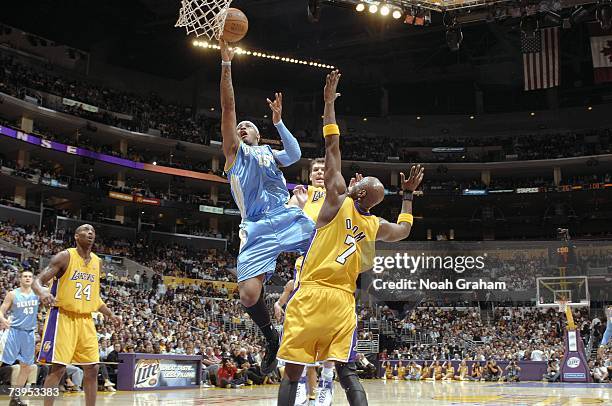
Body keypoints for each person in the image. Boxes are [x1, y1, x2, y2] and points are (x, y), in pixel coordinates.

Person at [276, 70, 424, 406]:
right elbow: (404, 231)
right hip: (344, 302)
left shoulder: (335, 199)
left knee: (294, 372)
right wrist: (408, 196)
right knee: (347, 372)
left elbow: (332, 144)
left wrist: (328, 104)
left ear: (354, 189)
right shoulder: (375, 226)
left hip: (312, 293)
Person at [219, 39, 315, 375]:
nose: (243, 127)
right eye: (239, 127)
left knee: (322, 248)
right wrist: (227, 64)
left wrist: (278, 122)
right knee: (247, 294)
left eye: (249, 126)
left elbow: (296, 156)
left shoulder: (270, 153)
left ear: (258, 135)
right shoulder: (235, 154)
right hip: (256, 226)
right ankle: (271, 337)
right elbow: (228, 109)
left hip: (286, 216)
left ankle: (314, 310)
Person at [32, 224, 121, 406]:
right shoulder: (65, 256)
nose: (90, 233)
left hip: (85, 319)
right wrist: (42, 293)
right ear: (76, 236)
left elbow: (95, 297)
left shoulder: (97, 261)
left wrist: (110, 314)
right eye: (86, 230)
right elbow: (37, 281)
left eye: (93, 231)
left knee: (93, 367)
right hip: (62, 316)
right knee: (58, 368)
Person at [274, 157, 334, 405]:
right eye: (316, 170)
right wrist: (294, 205)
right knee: (299, 327)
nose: (320, 173)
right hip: (306, 268)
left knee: (329, 331)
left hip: (332, 270)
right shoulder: (303, 195)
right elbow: (282, 221)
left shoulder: (337, 196)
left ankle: (327, 383)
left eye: (323, 170)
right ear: (310, 176)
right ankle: (298, 384)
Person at [0, 270, 39, 406]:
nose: (28, 278)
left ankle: (15, 398)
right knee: (3, 362)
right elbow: (2, 308)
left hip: (29, 334)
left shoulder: (37, 293)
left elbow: (51, 284)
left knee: (26, 367)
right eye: (25, 276)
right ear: (20, 279)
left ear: (33, 279)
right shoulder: (13, 294)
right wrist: (2, 319)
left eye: (30, 276)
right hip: (14, 332)